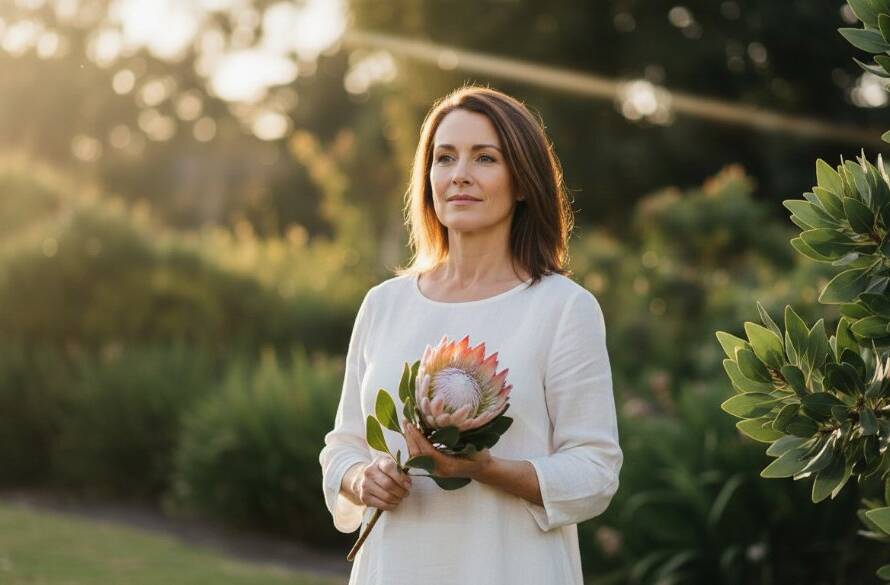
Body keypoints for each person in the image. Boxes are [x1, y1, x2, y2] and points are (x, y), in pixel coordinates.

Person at [318, 85, 622, 584]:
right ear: (428, 177)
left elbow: (595, 471)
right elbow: (342, 447)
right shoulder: (384, 305)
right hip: (394, 569)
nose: (459, 174)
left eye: (485, 158)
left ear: (522, 181)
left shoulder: (563, 309)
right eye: (444, 158)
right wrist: (359, 478)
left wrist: (484, 468)